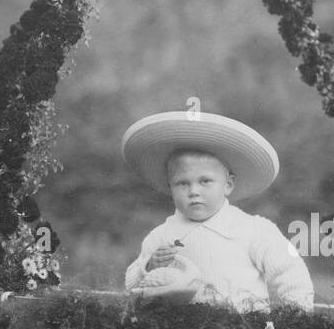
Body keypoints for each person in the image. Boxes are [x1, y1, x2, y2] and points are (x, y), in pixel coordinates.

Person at [121, 111, 314, 312]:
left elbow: (291, 274)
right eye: (182, 183)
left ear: (228, 184)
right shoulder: (162, 236)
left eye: (205, 181)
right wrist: (150, 266)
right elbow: (132, 286)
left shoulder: (254, 230)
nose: (193, 191)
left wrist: (297, 315)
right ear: (170, 188)